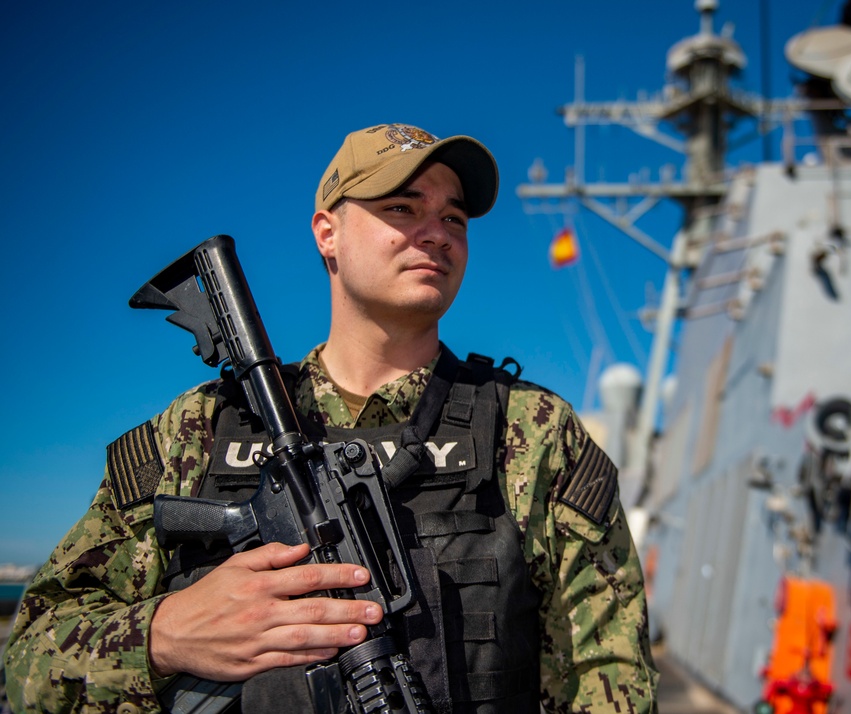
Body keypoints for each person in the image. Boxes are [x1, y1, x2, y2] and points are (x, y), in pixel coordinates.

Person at [3, 123, 659, 713]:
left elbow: (608, 678)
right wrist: (163, 636)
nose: (437, 232)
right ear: (327, 232)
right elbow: (29, 657)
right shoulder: (198, 431)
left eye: (454, 217)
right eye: (402, 207)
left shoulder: (535, 433)